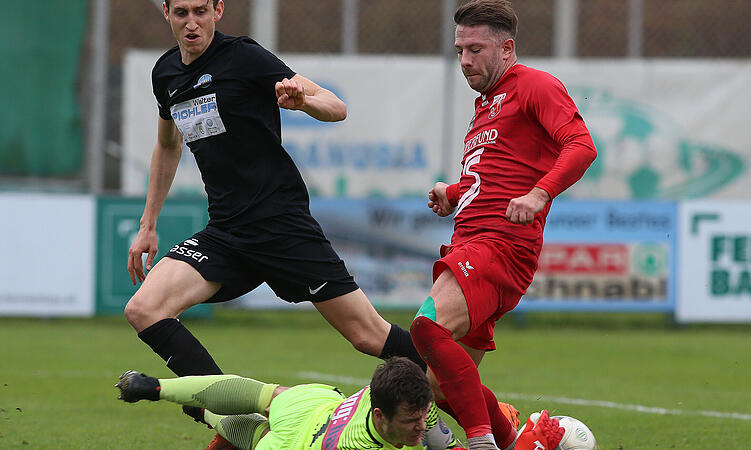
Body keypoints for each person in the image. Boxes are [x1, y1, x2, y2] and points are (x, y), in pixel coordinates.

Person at [125, 0, 425, 446]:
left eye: (202, 11)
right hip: (226, 232)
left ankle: (469, 402)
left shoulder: (244, 57)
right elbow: (167, 146)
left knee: (368, 335)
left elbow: (335, 105)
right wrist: (148, 222)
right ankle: (237, 422)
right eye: (182, 12)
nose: (193, 23)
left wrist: (303, 102)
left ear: (219, 10)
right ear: (165, 12)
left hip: (281, 225)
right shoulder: (166, 73)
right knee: (144, 309)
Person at [409, 1, 597, 450]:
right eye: (459, 50)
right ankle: (516, 442)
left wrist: (539, 194)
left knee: (425, 328)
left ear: (506, 48)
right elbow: (488, 177)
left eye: (475, 49)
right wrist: (452, 192)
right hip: (473, 242)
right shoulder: (486, 105)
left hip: (500, 246)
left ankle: (481, 443)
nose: (465, 60)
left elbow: (581, 146)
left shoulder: (534, 85)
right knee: (437, 386)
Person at [115, 357, 562, 450]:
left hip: (318, 408)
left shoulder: (394, 397)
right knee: (258, 436)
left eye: (422, 415)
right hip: (300, 448)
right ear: (381, 416)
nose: (420, 426)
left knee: (263, 395)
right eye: (411, 421)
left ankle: (161, 390)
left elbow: (436, 435)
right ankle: (194, 407)